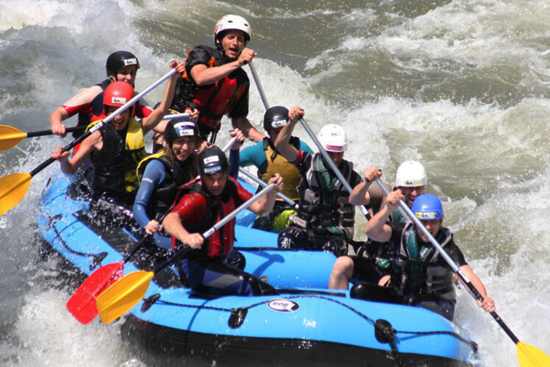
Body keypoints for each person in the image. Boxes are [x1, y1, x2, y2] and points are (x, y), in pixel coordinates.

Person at [51, 60, 184, 209]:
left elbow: (161, 111)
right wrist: (63, 161)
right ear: (107, 112)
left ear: (130, 112)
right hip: (107, 197)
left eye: (123, 111)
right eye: (113, 111)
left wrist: (173, 79)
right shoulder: (96, 136)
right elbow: (71, 169)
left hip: (132, 191)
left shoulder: (138, 128)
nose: (118, 117)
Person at [162, 147, 283, 296]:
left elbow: (261, 209)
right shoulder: (195, 198)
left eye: (220, 177)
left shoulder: (231, 185)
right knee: (250, 285)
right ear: (202, 177)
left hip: (219, 260)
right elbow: (169, 220)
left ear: (226, 173)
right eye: (210, 178)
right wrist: (187, 237)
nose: (216, 184)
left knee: (240, 262)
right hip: (195, 267)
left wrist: (271, 193)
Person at [363, 192, 495, 321]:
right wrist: (388, 208)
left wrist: (483, 297)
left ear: (441, 221)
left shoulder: (447, 247)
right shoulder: (401, 232)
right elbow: (371, 232)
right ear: (414, 221)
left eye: (433, 222)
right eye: (423, 221)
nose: (428, 227)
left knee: (411, 300)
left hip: (439, 304)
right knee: (361, 291)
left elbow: (468, 275)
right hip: (402, 296)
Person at [274, 106, 362, 256]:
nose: (335, 158)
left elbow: (369, 200)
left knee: (331, 248)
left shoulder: (352, 177)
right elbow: (280, 146)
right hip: (306, 229)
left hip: (335, 236)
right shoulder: (307, 163)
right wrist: (292, 122)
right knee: (286, 238)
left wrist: (368, 183)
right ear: (321, 149)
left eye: (339, 152)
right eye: (330, 153)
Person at [329, 161, 428, 289]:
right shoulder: (384, 193)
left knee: (384, 283)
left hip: (399, 271)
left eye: (418, 188)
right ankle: (338, 304)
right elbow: (354, 200)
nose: (414, 193)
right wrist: (367, 182)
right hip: (373, 260)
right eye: (409, 188)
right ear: (399, 186)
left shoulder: (427, 208)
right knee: (342, 264)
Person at [170, 14, 264, 144]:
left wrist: (266, 141)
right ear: (219, 40)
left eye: (240, 39)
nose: (235, 43)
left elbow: (239, 121)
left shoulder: (241, 80)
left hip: (201, 138)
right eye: (230, 37)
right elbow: (200, 77)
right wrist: (237, 63)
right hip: (175, 123)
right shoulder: (202, 53)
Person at [233, 106, 314, 232]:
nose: (280, 136)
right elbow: (230, 166)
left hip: (297, 205)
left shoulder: (302, 148)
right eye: (276, 132)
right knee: (262, 226)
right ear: (268, 131)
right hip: (267, 206)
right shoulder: (259, 151)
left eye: (283, 130)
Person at [50, 51, 153, 138]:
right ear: (112, 74)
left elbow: (158, 119)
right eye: (124, 72)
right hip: (88, 154)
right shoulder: (95, 93)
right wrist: (57, 124)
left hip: (118, 153)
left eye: (132, 73)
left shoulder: (135, 98)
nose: (129, 77)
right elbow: (58, 113)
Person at [133, 119, 200, 250]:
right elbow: (139, 205)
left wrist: (234, 150)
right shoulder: (156, 166)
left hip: (181, 224)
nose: (185, 148)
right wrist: (147, 224)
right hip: (158, 228)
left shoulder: (194, 162)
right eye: (179, 141)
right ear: (169, 142)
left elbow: (221, 184)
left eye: (190, 141)